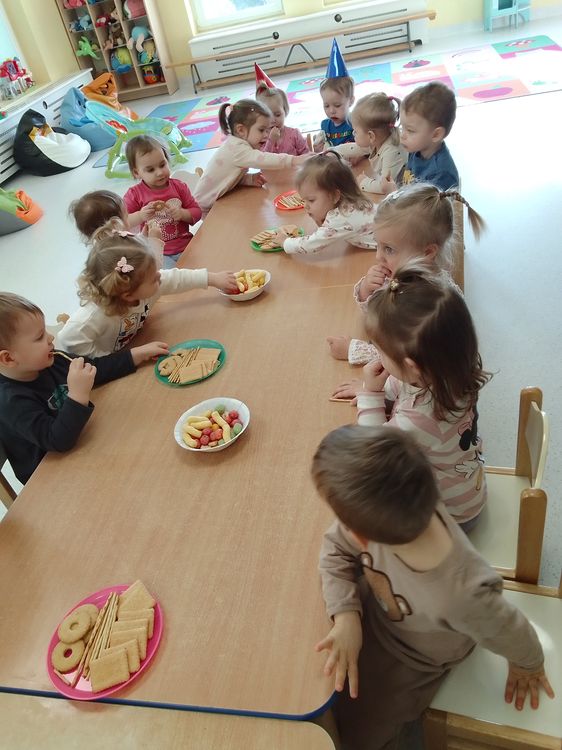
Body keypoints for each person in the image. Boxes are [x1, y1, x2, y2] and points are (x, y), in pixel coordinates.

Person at [312, 424, 554, 750]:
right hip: (374, 614)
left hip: (414, 660)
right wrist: (346, 616)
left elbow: (510, 628)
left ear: (361, 537)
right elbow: (334, 550)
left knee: (361, 728)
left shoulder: (464, 596)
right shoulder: (399, 509)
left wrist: (529, 663)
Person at [337, 263, 490, 530]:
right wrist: (376, 389)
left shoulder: (419, 419)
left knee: (367, 521)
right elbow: (404, 386)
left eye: (380, 351)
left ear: (412, 367)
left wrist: (371, 395)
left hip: (451, 518)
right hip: (467, 489)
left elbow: (372, 453)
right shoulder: (453, 370)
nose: (378, 356)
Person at [0, 292, 167, 485]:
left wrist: (136, 354)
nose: (50, 337)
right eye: (39, 337)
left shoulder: (54, 360)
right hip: (50, 478)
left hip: (81, 443)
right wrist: (78, 395)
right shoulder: (10, 401)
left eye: (45, 331)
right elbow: (56, 440)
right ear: (8, 358)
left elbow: (96, 368)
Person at [327, 182, 484, 366]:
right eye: (377, 244)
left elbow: (410, 359)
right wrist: (366, 290)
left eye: (389, 249)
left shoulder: (428, 301)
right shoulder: (405, 276)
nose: (378, 256)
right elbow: (381, 316)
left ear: (427, 252)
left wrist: (353, 350)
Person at [56, 223, 237, 358]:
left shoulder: (144, 286)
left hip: (137, 347)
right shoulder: (93, 317)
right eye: (153, 278)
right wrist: (113, 360)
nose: (160, 275)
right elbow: (67, 339)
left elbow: (175, 278)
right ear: (128, 295)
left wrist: (213, 278)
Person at [193, 99, 309, 216]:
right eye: (261, 130)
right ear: (241, 130)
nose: (266, 135)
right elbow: (262, 159)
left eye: (267, 130)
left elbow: (227, 176)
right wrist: (293, 160)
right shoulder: (237, 149)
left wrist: (249, 179)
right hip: (206, 207)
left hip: (217, 201)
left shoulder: (236, 146)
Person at [272, 151, 376, 255]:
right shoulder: (351, 202)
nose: (305, 206)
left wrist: (285, 242)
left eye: (311, 200)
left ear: (335, 196)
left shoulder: (340, 218)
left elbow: (310, 245)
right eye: (304, 200)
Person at [123, 135, 202, 268]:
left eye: (162, 165)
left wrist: (182, 214)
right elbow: (123, 223)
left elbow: (197, 212)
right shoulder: (134, 194)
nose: (159, 172)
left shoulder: (179, 186)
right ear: (137, 173)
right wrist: (141, 215)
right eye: (151, 170)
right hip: (159, 253)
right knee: (170, 278)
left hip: (186, 244)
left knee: (206, 265)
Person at [394, 81, 459, 191]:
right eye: (402, 127)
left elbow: (424, 203)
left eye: (410, 130)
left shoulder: (441, 174)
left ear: (436, 134)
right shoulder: (416, 148)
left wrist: (393, 193)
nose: (402, 135)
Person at [342, 93, 408, 194]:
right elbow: (354, 148)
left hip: (403, 194)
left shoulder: (392, 151)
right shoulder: (378, 140)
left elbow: (385, 186)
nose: (353, 134)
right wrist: (332, 151)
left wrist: (363, 182)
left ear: (371, 136)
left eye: (356, 131)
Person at [255, 82, 309, 156]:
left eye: (277, 115)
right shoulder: (261, 139)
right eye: (268, 116)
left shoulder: (294, 134)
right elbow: (262, 160)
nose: (273, 120)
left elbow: (306, 155)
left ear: (285, 111)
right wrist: (271, 141)